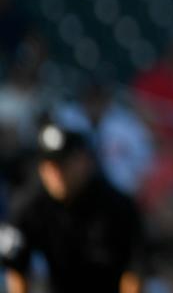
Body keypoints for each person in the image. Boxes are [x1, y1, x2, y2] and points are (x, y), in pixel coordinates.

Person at [0, 123, 145, 293]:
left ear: (84, 162)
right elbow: (16, 268)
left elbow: (134, 270)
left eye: (63, 164)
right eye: (50, 165)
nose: (56, 173)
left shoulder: (117, 205)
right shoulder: (28, 206)